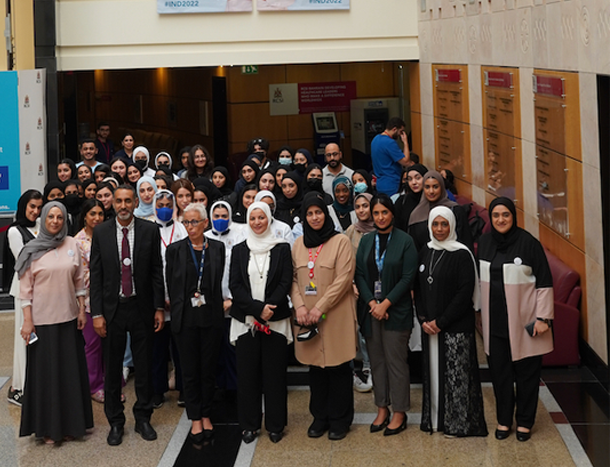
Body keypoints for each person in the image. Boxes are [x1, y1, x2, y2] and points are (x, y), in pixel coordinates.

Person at [90, 185, 165, 446]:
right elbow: (96, 275)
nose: (123, 206)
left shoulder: (150, 230)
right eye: (119, 201)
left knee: (144, 366)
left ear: (135, 203)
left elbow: (156, 270)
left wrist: (158, 307)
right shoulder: (101, 232)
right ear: (113, 203)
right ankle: (115, 421)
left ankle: (143, 417)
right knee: (113, 369)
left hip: (142, 307)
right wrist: (97, 313)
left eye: (128, 201)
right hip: (113, 310)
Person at [16, 201, 93, 444]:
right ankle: (48, 428)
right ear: (43, 219)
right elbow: (25, 291)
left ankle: (72, 425)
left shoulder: (71, 244)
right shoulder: (31, 249)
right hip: (42, 323)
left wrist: (81, 310)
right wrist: (28, 321)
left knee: (69, 375)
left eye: (60, 217)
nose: (55, 221)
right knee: (46, 377)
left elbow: (79, 281)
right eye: (51, 217)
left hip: (68, 319)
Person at [478, 197, 553, 442]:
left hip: (525, 322)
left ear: (513, 216)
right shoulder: (485, 242)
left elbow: (544, 282)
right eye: (496, 215)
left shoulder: (528, 243)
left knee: (526, 375)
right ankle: (504, 420)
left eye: (505, 215)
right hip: (495, 323)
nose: (500, 220)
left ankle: (524, 422)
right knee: (500, 375)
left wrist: (543, 318)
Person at [414, 206, 487, 437]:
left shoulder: (462, 254)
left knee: (457, 378)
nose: (439, 229)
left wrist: (441, 322)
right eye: (435, 224)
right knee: (434, 375)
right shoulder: (425, 250)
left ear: (452, 225)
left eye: (444, 224)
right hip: (430, 327)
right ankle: (436, 421)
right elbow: (418, 288)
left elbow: (464, 294)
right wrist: (423, 318)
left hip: (455, 326)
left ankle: (459, 425)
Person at [291, 192, 357, 441]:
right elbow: (292, 279)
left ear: (325, 214)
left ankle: (340, 420)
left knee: (338, 368)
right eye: (309, 213)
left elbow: (344, 279)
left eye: (318, 212)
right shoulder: (298, 244)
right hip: (307, 317)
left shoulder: (340, 241)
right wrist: (300, 307)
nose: (315, 217)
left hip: (335, 314)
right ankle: (319, 417)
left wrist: (320, 308)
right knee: (316, 369)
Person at [354, 194, 418, 436]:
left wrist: (385, 304)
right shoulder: (366, 240)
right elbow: (360, 274)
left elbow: (408, 277)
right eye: (376, 213)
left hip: (396, 312)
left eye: (384, 212)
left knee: (396, 362)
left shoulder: (405, 241)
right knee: (377, 362)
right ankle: (382, 408)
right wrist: (372, 302)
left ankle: (399, 412)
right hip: (371, 311)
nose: (380, 217)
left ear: (392, 213)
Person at [229, 202, 292, 444]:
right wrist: (257, 310)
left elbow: (285, 281)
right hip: (246, 321)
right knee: (247, 376)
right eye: (253, 218)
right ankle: (249, 425)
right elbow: (235, 285)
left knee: (275, 375)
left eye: (261, 217)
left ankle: (276, 425)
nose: (257, 222)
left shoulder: (282, 247)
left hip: (275, 319)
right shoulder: (239, 250)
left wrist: (268, 308)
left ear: (269, 219)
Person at [165, 203, 226, 443]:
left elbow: (219, 281)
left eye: (195, 222)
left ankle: (207, 413)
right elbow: (172, 285)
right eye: (186, 222)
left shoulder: (217, 248)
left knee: (208, 369)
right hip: (185, 319)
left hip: (211, 317)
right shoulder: (175, 250)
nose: (190, 227)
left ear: (205, 223)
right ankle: (195, 418)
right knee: (189, 371)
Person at [3, 190, 42, 407]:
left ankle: (38, 383)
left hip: (44, 289)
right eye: (32, 206)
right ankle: (19, 387)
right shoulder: (14, 231)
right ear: (23, 206)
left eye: (39, 207)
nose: (35, 211)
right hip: (24, 290)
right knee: (24, 338)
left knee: (40, 339)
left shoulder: (42, 226)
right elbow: (25, 259)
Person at [151, 190, 188, 408]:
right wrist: (160, 299)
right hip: (156, 301)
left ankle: (183, 387)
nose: (164, 208)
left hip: (178, 299)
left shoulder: (181, 228)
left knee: (181, 348)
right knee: (157, 349)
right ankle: (157, 390)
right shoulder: (148, 229)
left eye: (168, 205)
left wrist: (175, 297)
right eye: (160, 205)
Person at [205, 201, 245, 395]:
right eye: (216, 216)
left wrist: (231, 299)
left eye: (224, 216)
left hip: (232, 303)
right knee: (214, 349)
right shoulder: (204, 237)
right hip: (210, 305)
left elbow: (241, 271)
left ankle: (234, 390)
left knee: (232, 349)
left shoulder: (239, 237)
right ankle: (218, 388)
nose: (220, 220)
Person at [74, 199, 110, 404]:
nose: (97, 218)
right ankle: (94, 385)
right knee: (93, 344)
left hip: (110, 298)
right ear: (85, 216)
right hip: (88, 300)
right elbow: (80, 276)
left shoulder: (107, 235)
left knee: (110, 343)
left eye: (100, 214)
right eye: (93, 214)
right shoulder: (77, 242)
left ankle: (111, 383)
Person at [344, 193, 376, 393]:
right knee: (359, 331)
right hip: (355, 288)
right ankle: (365, 367)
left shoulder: (381, 228)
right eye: (358, 207)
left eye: (365, 205)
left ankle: (374, 368)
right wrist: (352, 283)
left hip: (376, 289)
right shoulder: (351, 230)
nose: (362, 210)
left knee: (373, 331)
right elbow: (345, 260)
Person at [408, 171, 473, 253]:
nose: (431, 191)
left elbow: (466, 241)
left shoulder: (456, 210)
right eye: (427, 187)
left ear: (442, 187)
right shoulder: (416, 214)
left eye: (435, 187)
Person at [371, 117, 411, 196]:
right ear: (394, 129)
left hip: (380, 183)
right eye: (401, 131)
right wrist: (405, 142)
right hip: (391, 183)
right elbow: (406, 162)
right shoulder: (390, 143)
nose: (400, 135)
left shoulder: (375, 139)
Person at [394, 164, 427, 233]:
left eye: (418, 178)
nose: (413, 182)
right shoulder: (402, 201)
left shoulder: (431, 200)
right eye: (410, 179)